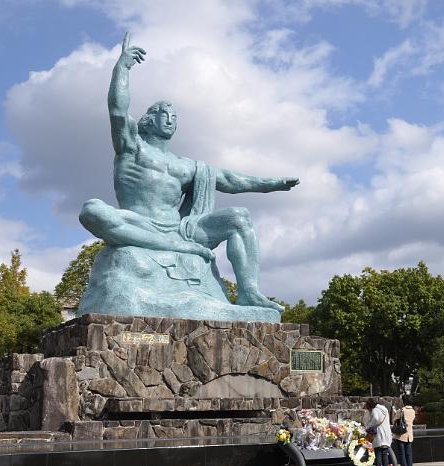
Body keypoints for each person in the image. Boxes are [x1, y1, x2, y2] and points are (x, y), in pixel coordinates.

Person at [79, 33, 299, 312]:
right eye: (162, 112)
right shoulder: (132, 147)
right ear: (146, 120)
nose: (170, 117)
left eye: (174, 116)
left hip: (183, 230)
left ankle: (249, 292)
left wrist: (273, 184)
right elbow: (118, 111)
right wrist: (121, 68)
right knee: (92, 210)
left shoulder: (187, 166)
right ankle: (169, 245)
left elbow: (232, 180)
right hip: (138, 222)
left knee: (239, 217)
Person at [364, 397, 392, 466]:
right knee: (385, 454)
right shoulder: (385, 409)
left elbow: (376, 419)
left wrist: (369, 426)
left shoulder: (375, 410)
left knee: (378, 454)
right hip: (386, 434)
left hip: (379, 434)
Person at [393, 395, 416, 466]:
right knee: (409, 454)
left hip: (401, 434)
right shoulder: (413, 411)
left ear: (404, 401)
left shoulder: (402, 410)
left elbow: (394, 419)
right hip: (409, 434)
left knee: (402, 454)